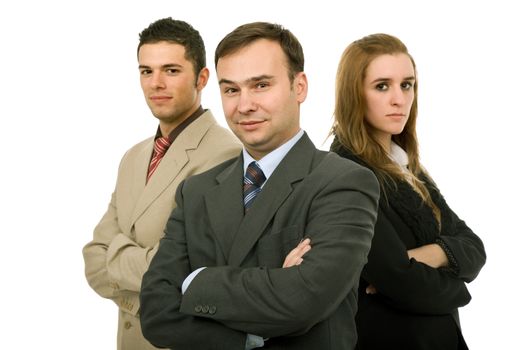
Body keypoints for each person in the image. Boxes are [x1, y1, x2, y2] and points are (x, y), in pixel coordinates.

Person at [139, 22, 380, 350]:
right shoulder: (195, 191)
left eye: (261, 85)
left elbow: (304, 299)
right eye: (231, 90)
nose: (244, 105)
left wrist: (196, 281)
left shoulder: (344, 182)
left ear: (300, 87)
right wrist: (255, 324)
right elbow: (155, 314)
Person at [82, 18, 241, 350]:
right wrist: (150, 287)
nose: (156, 83)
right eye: (146, 71)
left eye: (171, 70)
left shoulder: (225, 153)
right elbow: (93, 257)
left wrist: (118, 258)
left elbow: (191, 268)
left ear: (201, 78)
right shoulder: (133, 157)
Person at [330, 33, 487, 349]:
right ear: (354, 93)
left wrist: (432, 253)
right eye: (382, 86)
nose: (399, 99)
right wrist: (460, 287)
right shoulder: (345, 173)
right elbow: (399, 280)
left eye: (407, 84)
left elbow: (474, 247)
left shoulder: (407, 166)